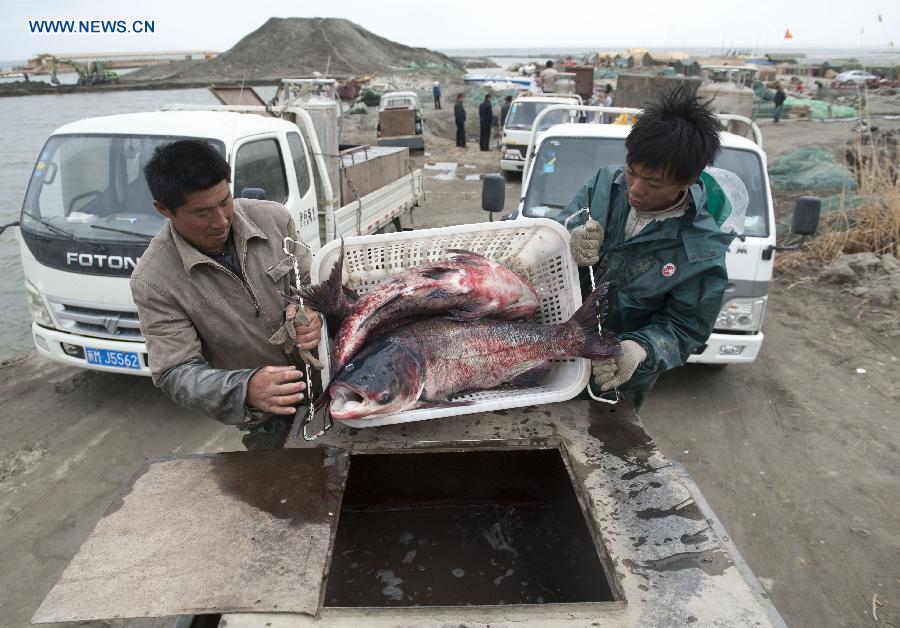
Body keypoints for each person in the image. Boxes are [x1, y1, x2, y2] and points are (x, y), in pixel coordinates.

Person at [557, 86, 747, 410]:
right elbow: (564, 221)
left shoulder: (702, 250)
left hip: (610, 376)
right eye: (632, 171)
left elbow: (685, 327)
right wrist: (569, 235)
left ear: (688, 180)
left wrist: (640, 349)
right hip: (555, 340)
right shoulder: (605, 183)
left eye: (654, 183)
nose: (635, 188)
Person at [131, 139, 323, 450]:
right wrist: (245, 388)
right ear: (164, 210)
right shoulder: (154, 280)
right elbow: (175, 371)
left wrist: (307, 307)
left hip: (334, 377)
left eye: (225, 201)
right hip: (269, 415)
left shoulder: (275, 220)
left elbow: (311, 281)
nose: (221, 221)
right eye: (202, 212)